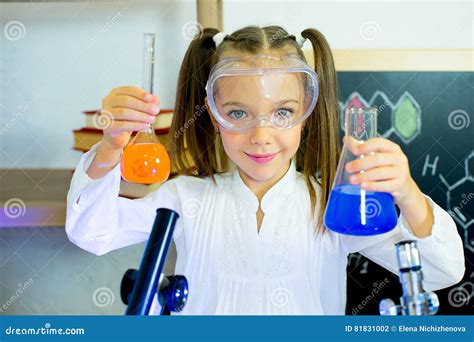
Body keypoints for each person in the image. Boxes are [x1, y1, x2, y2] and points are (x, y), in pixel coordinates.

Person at [66, 26, 465, 315]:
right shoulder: (185, 199)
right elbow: (92, 233)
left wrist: (408, 194)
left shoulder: (333, 208)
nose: (261, 135)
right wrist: (109, 149)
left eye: (282, 112)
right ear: (214, 115)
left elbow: (440, 271)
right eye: (238, 112)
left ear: (307, 113)